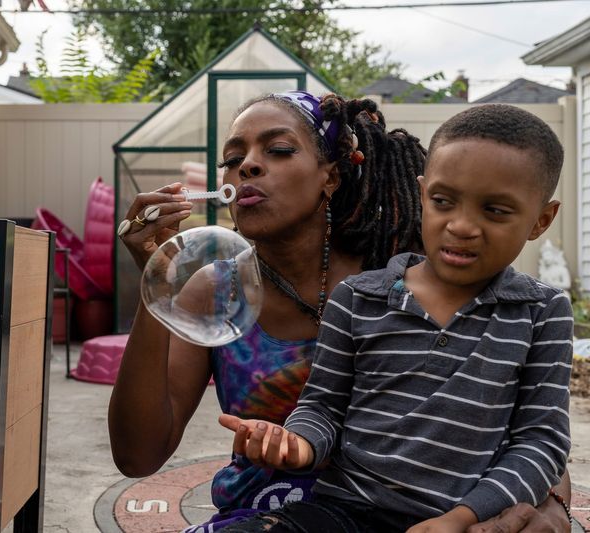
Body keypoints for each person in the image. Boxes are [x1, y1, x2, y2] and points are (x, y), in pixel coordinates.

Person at [111, 91, 572, 533]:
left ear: (330, 175)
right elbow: (138, 457)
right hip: (269, 515)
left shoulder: (406, 272)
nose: (246, 166)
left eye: (278, 149)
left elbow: (520, 424)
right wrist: (159, 284)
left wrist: (554, 503)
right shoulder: (211, 290)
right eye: (232, 160)